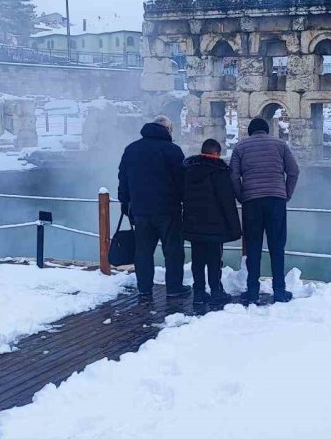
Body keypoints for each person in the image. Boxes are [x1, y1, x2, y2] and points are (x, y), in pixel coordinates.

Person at [117, 115, 190, 298]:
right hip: (168, 210)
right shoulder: (172, 151)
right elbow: (182, 180)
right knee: (173, 250)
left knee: (143, 251)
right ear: (167, 130)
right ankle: (174, 288)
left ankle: (144, 288)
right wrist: (184, 201)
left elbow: (123, 179)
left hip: (140, 210)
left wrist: (125, 203)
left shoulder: (131, 149)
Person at [229, 117, 300, 304]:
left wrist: (241, 196)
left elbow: (234, 176)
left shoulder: (240, 147)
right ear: (267, 130)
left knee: (253, 247)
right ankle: (279, 291)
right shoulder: (280, 145)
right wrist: (286, 194)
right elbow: (293, 171)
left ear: (250, 131)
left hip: (251, 201)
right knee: (277, 246)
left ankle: (252, 292)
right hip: (276, 200)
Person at [182, 139, 242, 306]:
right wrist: (234, 228)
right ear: (215, 153)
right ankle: (216, 291)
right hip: (215, 225)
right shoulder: (219, 171)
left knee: (197, 260)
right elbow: (227, 201)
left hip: (193, 223)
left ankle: (199, 293)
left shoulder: (188, 170)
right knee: (214, 260)